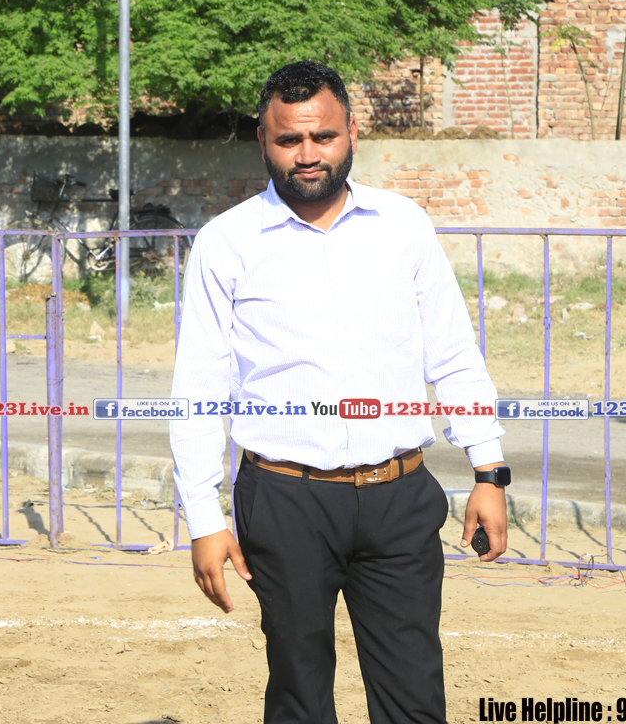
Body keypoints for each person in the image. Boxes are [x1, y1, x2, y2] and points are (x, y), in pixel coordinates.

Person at [168, 60, 509, 724]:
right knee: (299, 694)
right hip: (284, 501)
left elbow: (452, 353)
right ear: (263, 141)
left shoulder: (403, 225)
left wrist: (488, 470)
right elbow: (199, 391)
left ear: (351, 131)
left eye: (322, 136)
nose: (308, 154)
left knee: (415, 696)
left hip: (398, 497)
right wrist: (205, 521)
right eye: (289, 140)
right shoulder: (226, 243)